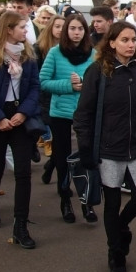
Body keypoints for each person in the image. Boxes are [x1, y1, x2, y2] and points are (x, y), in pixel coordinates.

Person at [74, 21, 136, 272]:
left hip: (135, 147)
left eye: (133, 40)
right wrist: (87, 149)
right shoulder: (97, 72)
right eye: (124, 40)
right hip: (108, 149)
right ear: (111, 43)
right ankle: (116, 252)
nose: (131, 45)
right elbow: (83, 115)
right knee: (111, 202)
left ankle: (121, 228)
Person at [0, 11, 41, 249]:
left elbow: (34, 87)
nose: (26, 31)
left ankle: (20, 225)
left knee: (23, 172)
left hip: (20, 116)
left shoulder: (28, 54)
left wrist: (24, 112)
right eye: (22, 27)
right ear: (9, 29)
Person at [40, 13, 96, 224]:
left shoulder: (93, 54)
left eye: (80, 29)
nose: (76, 32)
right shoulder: (55, 53)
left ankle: (87, 202)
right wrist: (68, 85)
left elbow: (100, 82)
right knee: (62, 158)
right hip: (61, 114)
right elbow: (43, 82)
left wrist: (84, 84)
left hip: (85, 113)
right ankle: (65, 200)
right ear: (66, 31)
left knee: (85, 158)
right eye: (72, 28)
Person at [34, 14, 66, 184]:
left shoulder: (69, 49)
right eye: (57, 26)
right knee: (55, 137)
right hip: (45, 99)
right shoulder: (39, 48)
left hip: (63, 98)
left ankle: (52, 165)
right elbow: (37, 78)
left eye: (63, 26)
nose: (61, 30)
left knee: (60, 140)